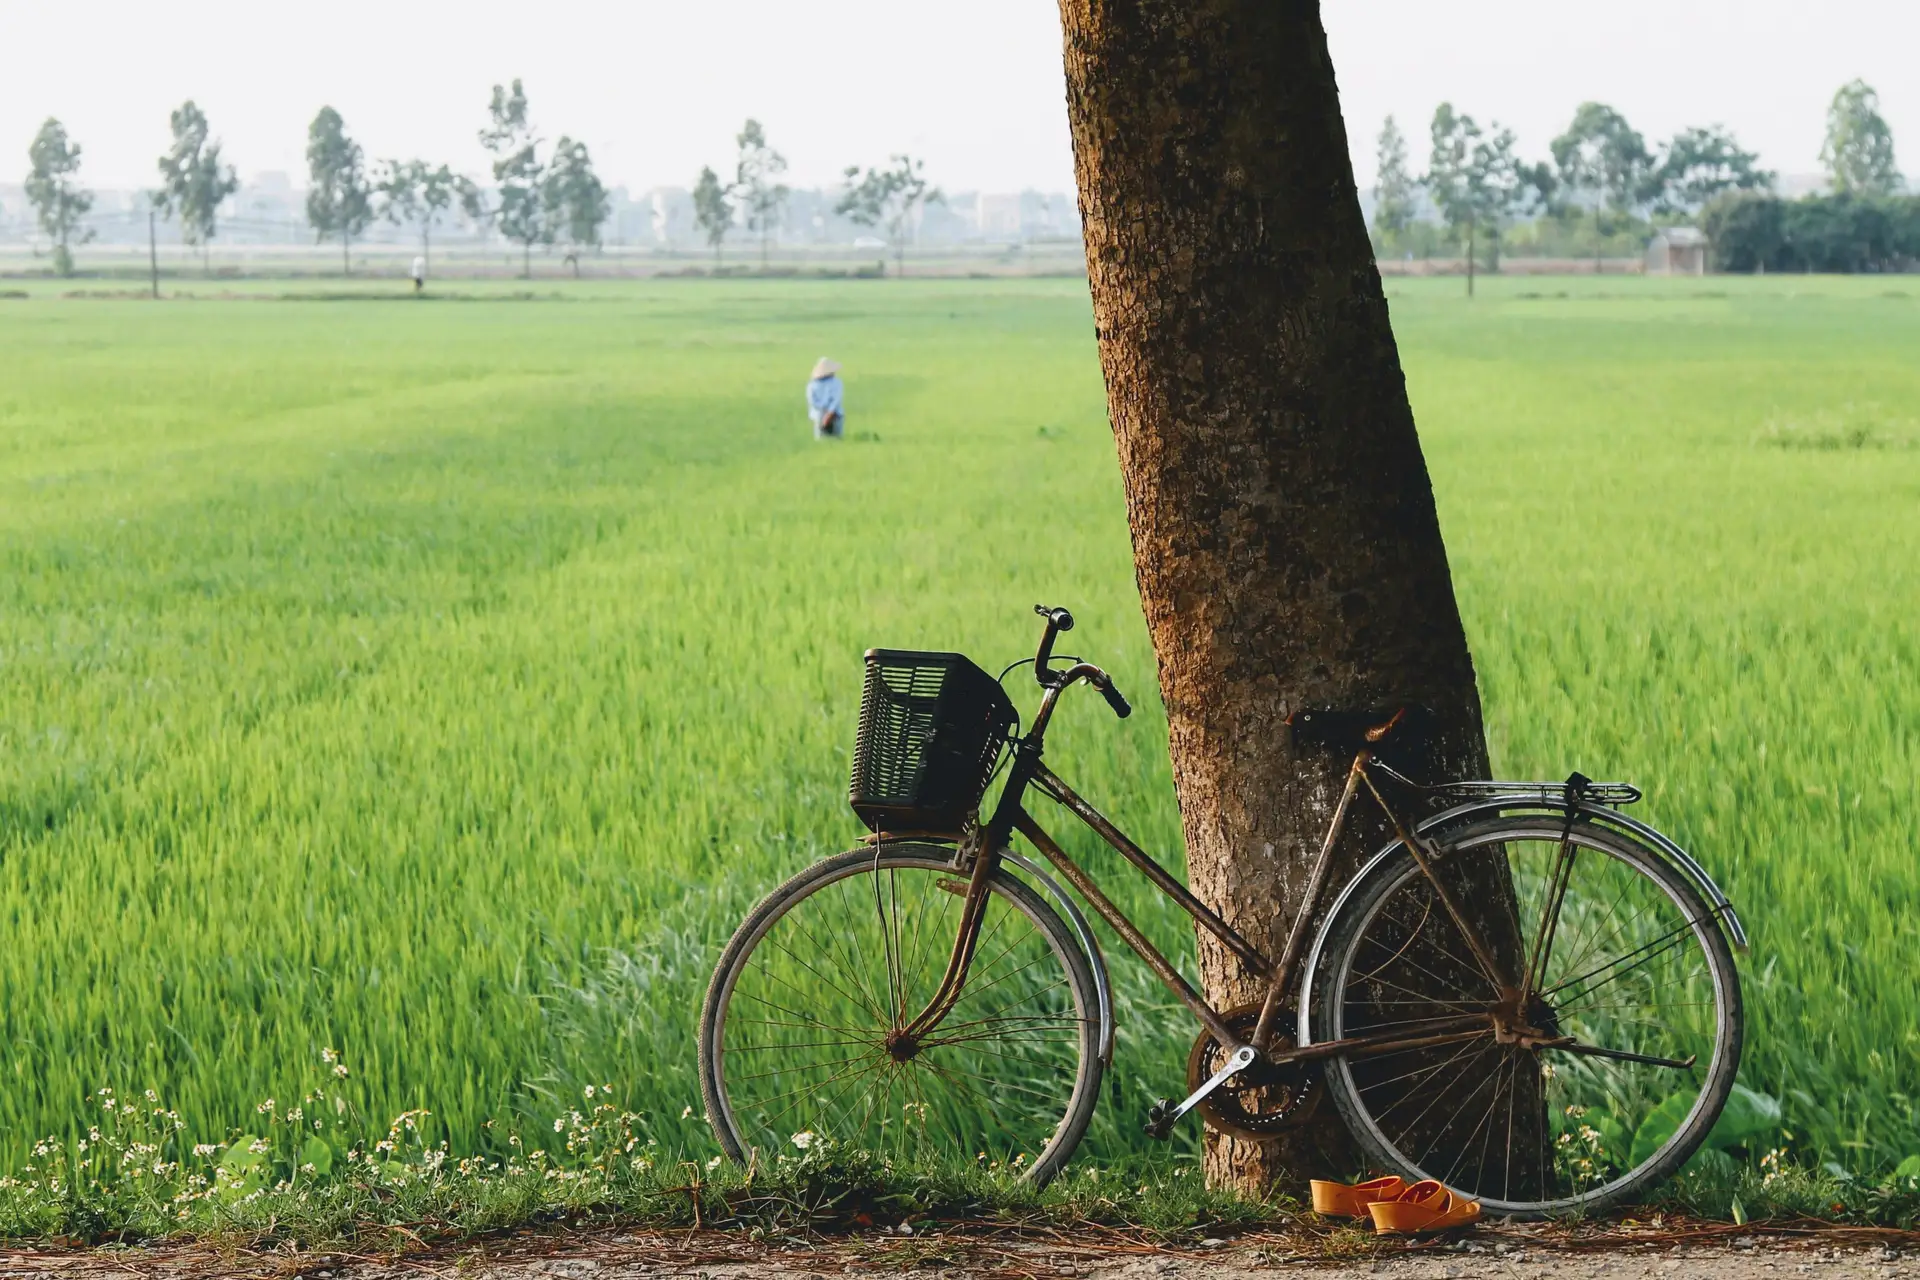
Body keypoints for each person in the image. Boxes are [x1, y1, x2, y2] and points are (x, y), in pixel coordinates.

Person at [807, 357, 844, 438]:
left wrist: (823, 412)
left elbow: (812, 402)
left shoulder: (811, 385)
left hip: (818, 416)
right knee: (837, 439)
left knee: (821, 439)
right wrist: (829, 413)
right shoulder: (836, 382)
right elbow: (836, 400)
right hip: (835, 415)